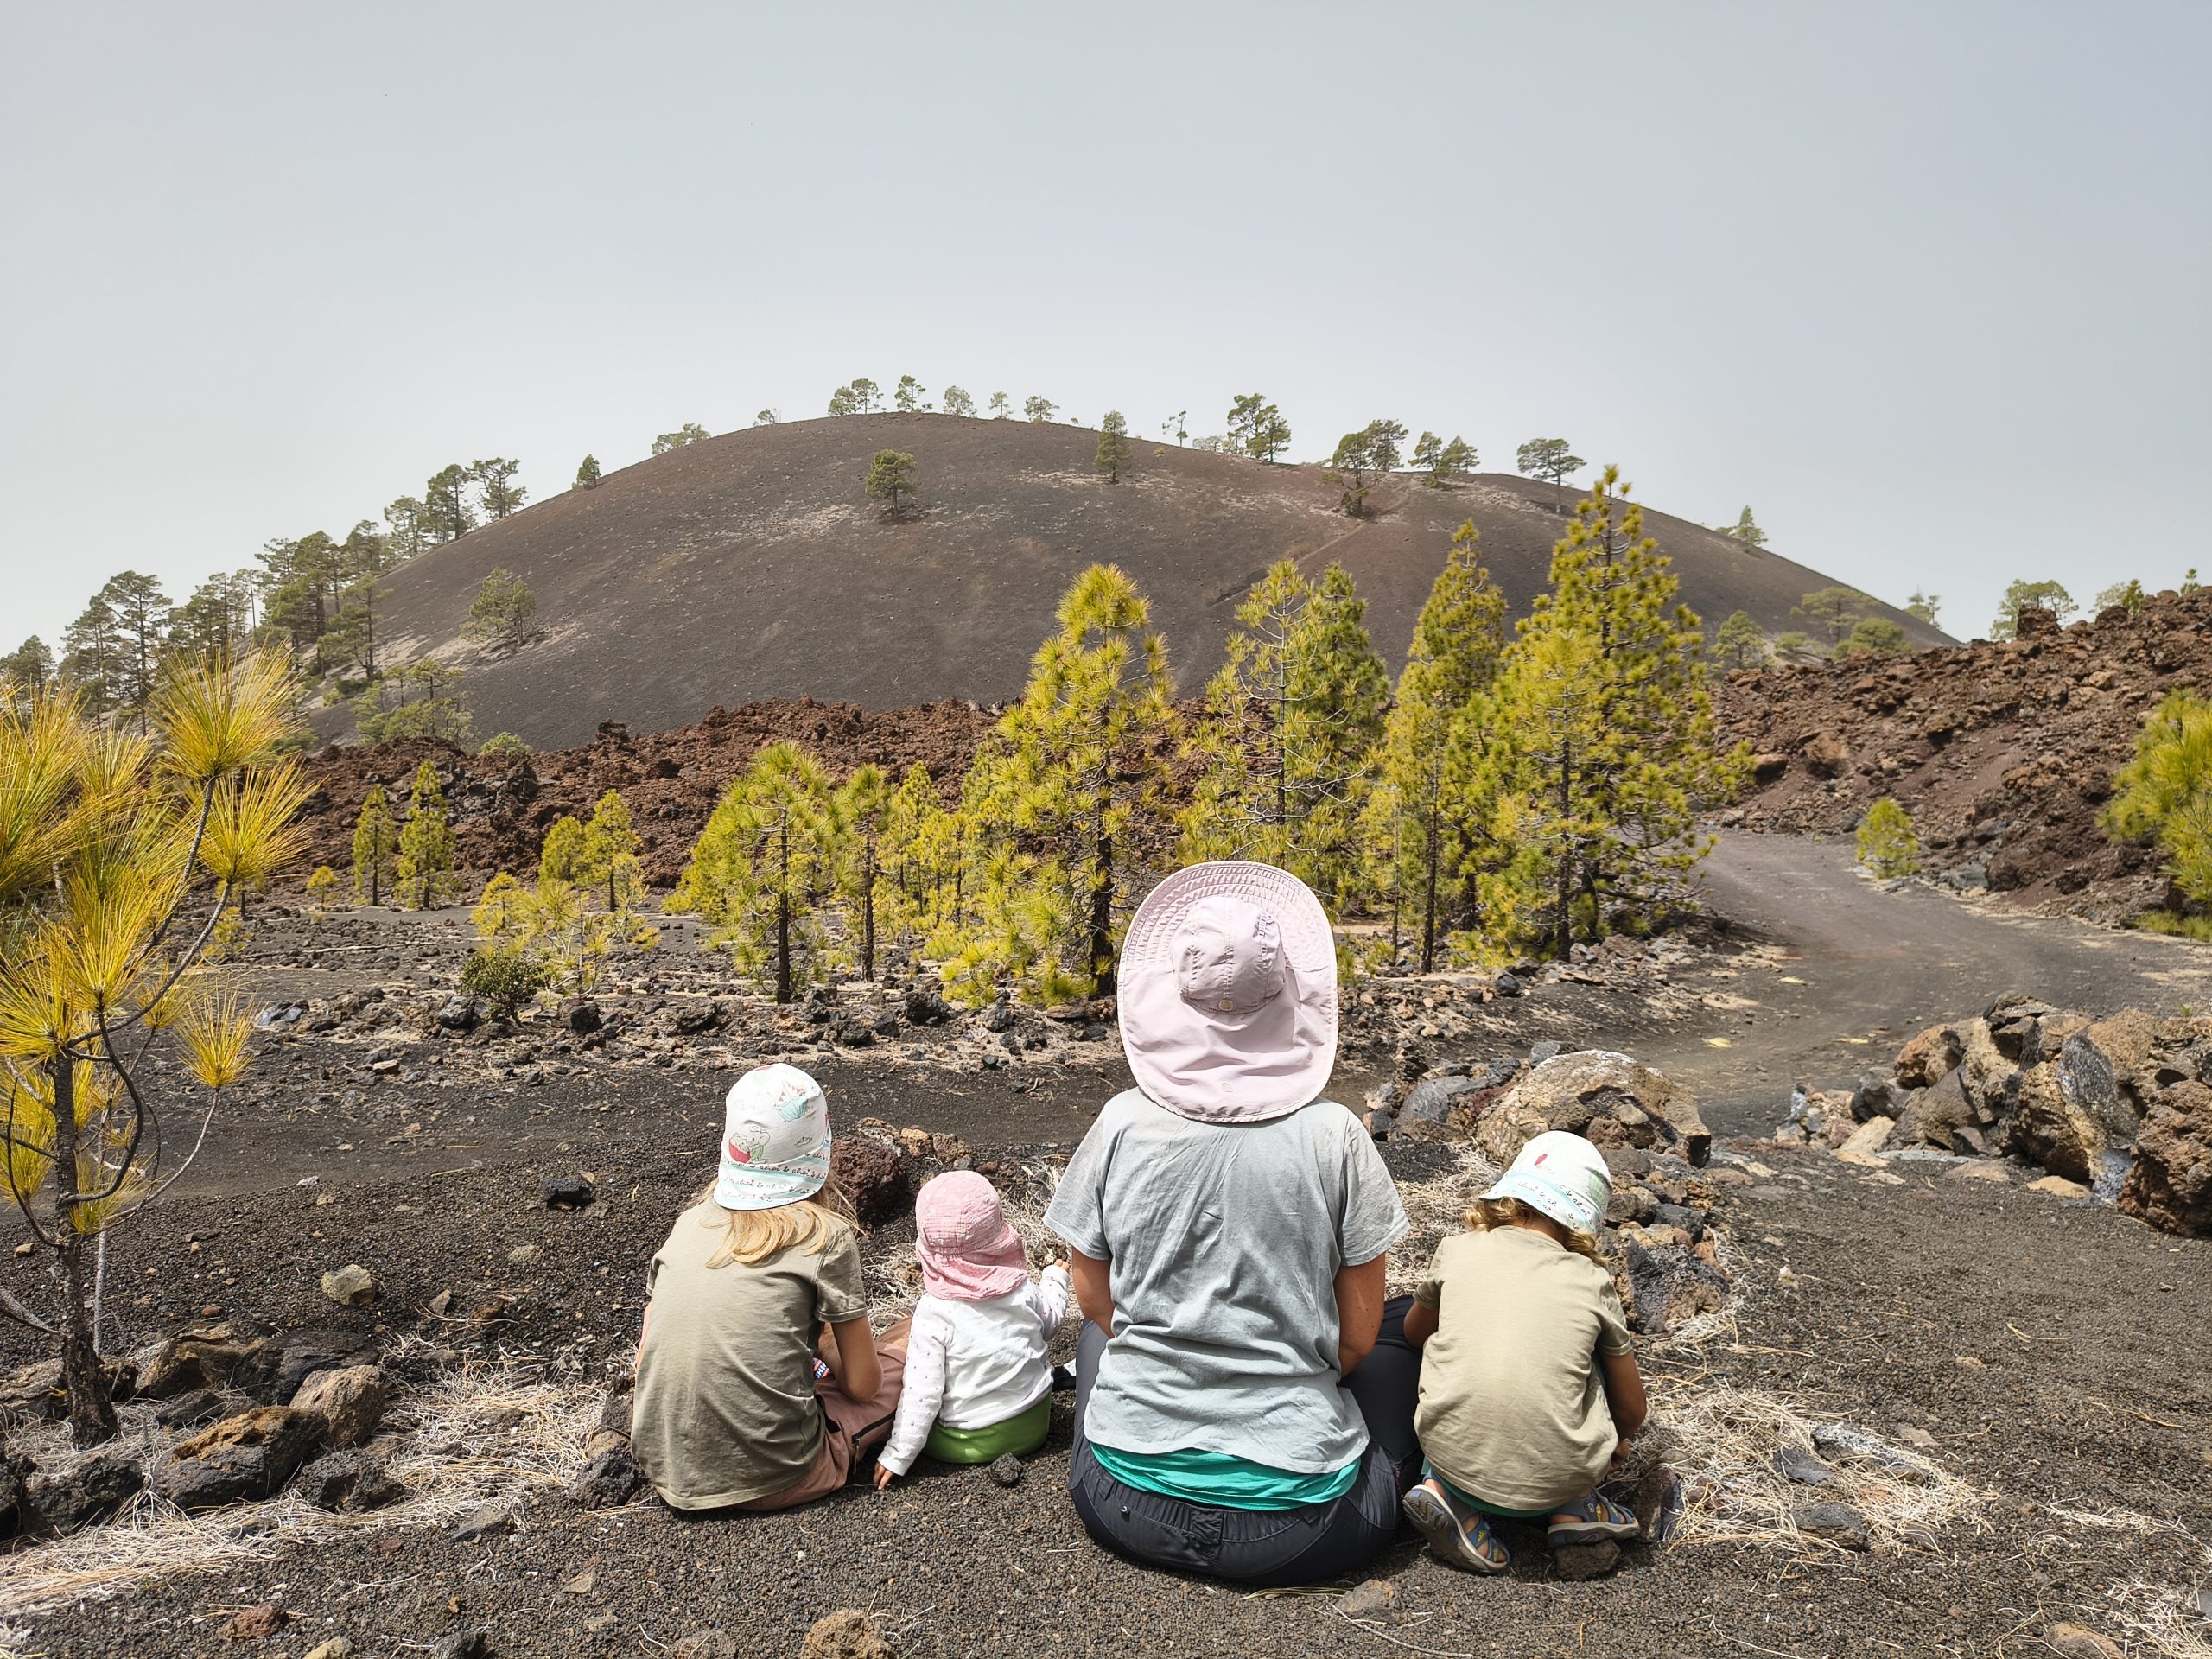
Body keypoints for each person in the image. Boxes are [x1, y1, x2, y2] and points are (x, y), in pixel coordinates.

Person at [1046, 861, 1418, 1586]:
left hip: (1119, 1502)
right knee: (1400, 1349)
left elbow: (1092, 1294)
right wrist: (1285, 1373)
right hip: (1304, 1532)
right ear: (1293, 997)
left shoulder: (1120, 1124)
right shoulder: (1336, 1137)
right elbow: (1357, 1338)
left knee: (1097, 1339)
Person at [632, 1063, 906, 1511]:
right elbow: (862, 1386)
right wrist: (824, 1345)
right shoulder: (825, 1236)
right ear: (822, 1148)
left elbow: (648, 1357)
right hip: (780, 1473)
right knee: (913, 1350)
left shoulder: (688, 1224)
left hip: (668, 1468)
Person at [1400, 1130, 1649, 1573]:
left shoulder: (1457, 1249)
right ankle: (1574, 1509)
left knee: (1460, 1355)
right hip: (1558, 1477)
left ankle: (1447, 1495)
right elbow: (1631, 1409)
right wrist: (1619, 1439)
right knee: (1581, 1357)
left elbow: (1415, 1333)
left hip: (1455, 1458)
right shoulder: (1591, 1281)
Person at [872, 1169, 1071, 1487]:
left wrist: (898, 1454)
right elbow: (1050, 1323)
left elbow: (923, 1392)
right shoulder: (1021, 1289)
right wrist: (1056, 1280)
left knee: (912, 1375)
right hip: (1035, 1426)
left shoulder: (934, 1310)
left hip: (966, 1442)